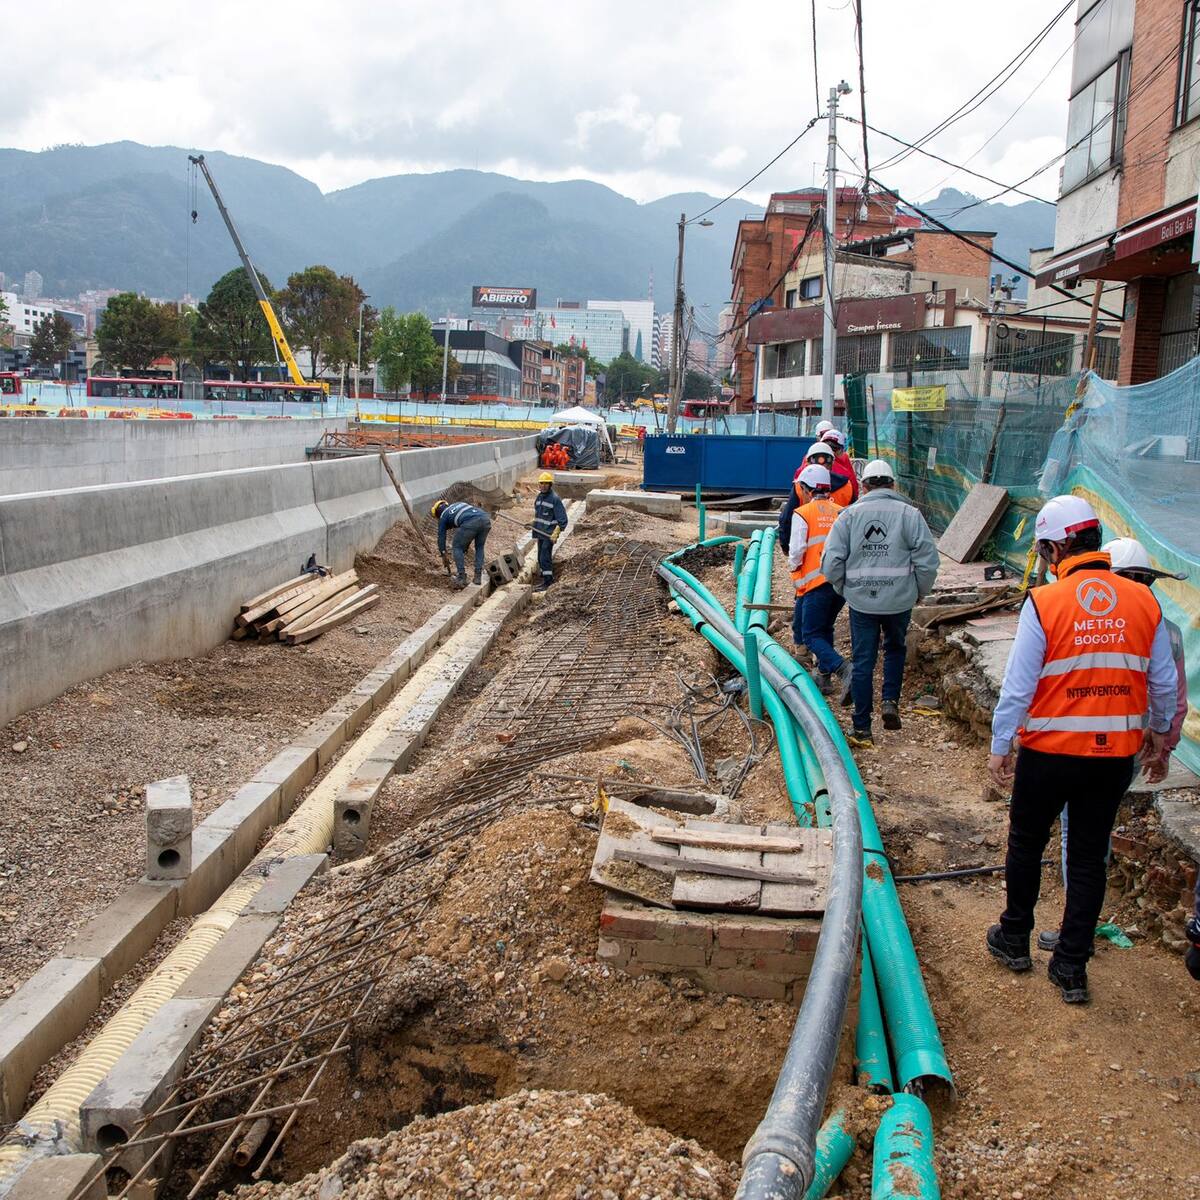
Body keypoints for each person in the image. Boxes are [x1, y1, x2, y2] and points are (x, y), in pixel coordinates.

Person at [986, 496, 1176, 1005]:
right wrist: (1159, 733)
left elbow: (1018, 686)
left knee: (1027, 842)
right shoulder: (1144, 601)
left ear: (1056, 546)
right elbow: (1162, 680)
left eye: (1045, 549)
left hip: (1049, 754)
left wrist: (1001, 744)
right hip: (1114, 756)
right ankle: (1070, 966)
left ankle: (1015, 938)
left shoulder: (1045, 602)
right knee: (1089, 856)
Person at [1038, 536, 1190, 951]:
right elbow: (1174, 698)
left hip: (1080, 742)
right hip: (1126, 751)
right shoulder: (1167, 628)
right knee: (1094, 836)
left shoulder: (1083, 614)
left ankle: (1076, 930)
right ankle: (1081, 926)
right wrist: (1163, 748)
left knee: (1077, 836)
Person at [822, 458, 939, 748]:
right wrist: (918, 592)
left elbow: (832, 562)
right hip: (900, 600)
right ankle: (890, 702)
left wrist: (844, 588)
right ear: (892, 485)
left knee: (863, 661)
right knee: (895, 649)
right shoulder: (910, 515)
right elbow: (928, 562)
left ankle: (862, 728)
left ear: (863, 486)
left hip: (862, 602)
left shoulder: (849, 516)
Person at [788, 464, 851, 695]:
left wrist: (795, 572)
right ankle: (824, 678)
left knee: (811, 635)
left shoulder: (803, 513)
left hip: (815, 584)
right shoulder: (842, 511)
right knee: (825, 627)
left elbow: (796, 552)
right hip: (839, 584)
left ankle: (842, 668)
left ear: (807, 488)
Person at [777, 442, 854, 558]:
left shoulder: (800, 487)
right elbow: (855, 519)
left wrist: (786, 546)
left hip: (808, 554)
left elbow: (786, 518)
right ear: (832, 463)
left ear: (807, 462)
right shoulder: (846, 486)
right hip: (840, 552)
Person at [432, 497, 492, 589]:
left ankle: (461, 577)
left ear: (437, 512)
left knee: (456, 547)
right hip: (485, 519)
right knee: (479, 547)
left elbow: (441, 537)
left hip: (471, 522)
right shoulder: (458, 504)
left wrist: (443, 552)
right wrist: (465, 546)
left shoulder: (443, 516)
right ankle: (477, 576)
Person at [532, 471, 569, 592]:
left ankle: (548, 582)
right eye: (541, 483)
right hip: (540, 533)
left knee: (544, 557)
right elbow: (538, 515)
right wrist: (532, 525)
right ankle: (543, 577)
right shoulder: (539, 497)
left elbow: (563, 520)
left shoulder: (554, 499)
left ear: (550, 485)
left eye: (546, 483)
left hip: (549, 535)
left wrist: (556, 533)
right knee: (539, 556)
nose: (543, 485)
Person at [820, 428, 859, 504]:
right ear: (841, 449)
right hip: (841, 512)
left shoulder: (808, 463)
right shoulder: (846, 472)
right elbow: (854, 492)